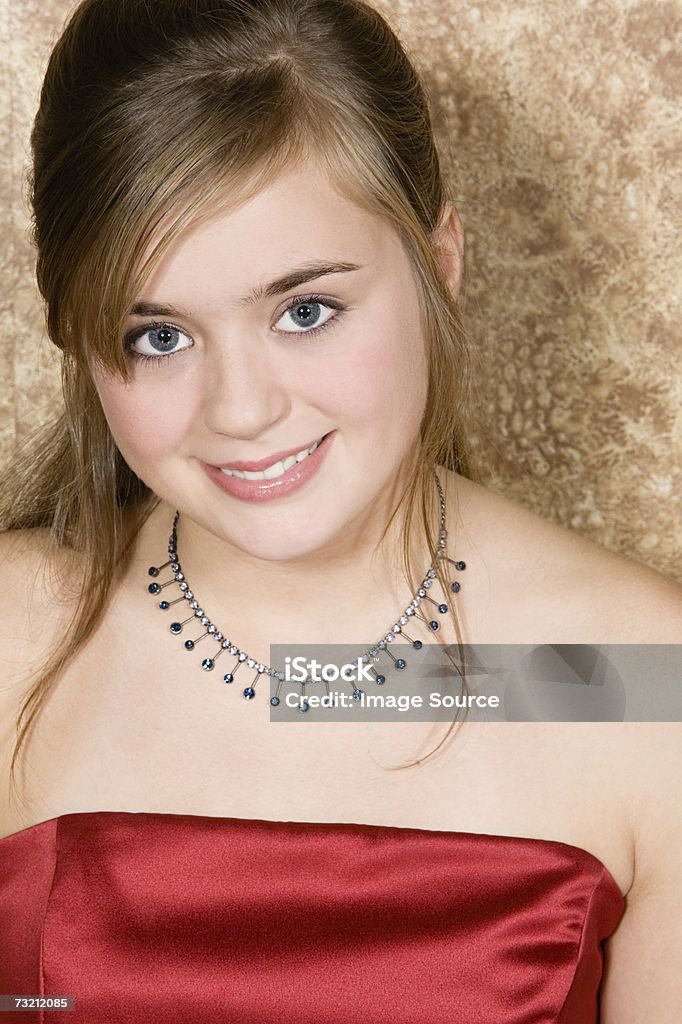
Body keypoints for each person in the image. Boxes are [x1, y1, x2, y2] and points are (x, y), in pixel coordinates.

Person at [0, 0, 680, 1021]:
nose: (242, 410)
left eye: (304, 310)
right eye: (158, 336)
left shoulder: (644, 681)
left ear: (438, 267)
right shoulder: (14, 640)